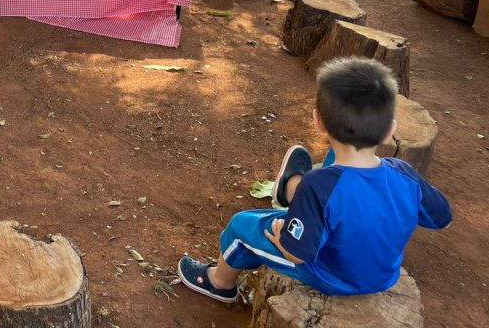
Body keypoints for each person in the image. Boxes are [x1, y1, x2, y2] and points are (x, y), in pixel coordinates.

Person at [177, 57, 451, 304]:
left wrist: (280, 237)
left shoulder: (319, 184)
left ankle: (219, 282)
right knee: (337, 167)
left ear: (318, 122)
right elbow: (441, 217)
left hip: (330, 275)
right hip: (382, 276)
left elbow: (299, 254)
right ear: (390, 130)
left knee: (243, 224)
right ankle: (292, 192)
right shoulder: (405, 173)